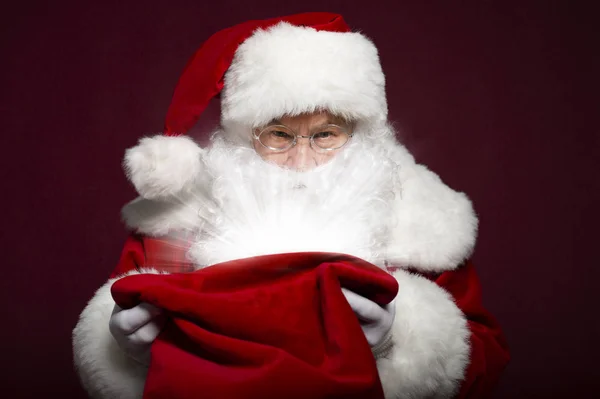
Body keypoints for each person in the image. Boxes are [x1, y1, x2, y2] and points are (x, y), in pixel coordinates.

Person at [72, 12, 509, 399]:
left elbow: (486, 360)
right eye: (278, 135)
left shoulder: (422, 220)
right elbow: (116, 322)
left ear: (359, 132)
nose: (302, 160)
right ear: (244, 135)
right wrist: (127, 355)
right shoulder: (177, 221)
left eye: (326, 134)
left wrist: (401, 339)